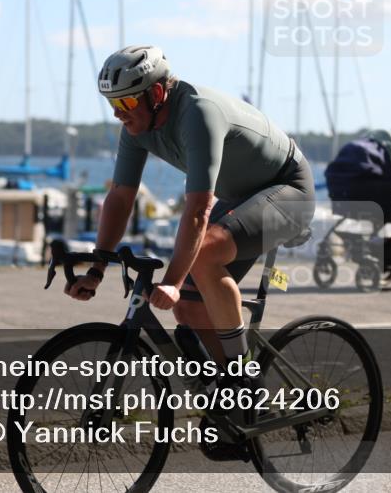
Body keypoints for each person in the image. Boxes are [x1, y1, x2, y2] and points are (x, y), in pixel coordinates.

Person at [68, 45, 315, 457]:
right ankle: (238, 416)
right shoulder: (135, 127)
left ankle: (241, 384)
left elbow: (198, 210)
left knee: (200, 258)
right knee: (188, 310)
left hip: (289, 191)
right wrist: (96, 269)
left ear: (157, 94)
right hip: (241, 198)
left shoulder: (197, 114)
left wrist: (172, 280)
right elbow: (120, 197)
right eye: (112, 104)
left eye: (126, 101)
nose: (119, 112)